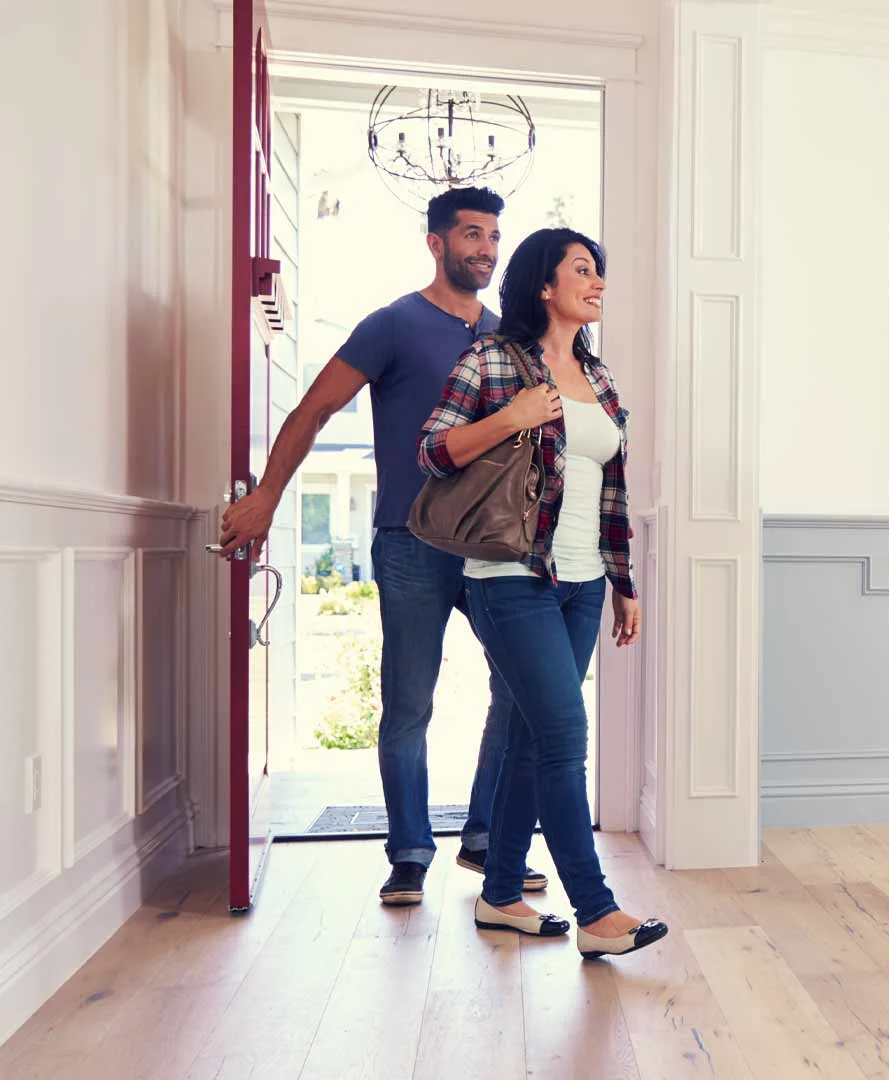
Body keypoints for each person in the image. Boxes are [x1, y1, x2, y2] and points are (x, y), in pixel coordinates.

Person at [218, 186, 548, 906]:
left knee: (521, 689)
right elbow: (313, 409)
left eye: (493, 237)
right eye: (470, 235)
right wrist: (267, 496)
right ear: (437, 242)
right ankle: (408, 851)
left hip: (494, 548)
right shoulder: (393, 325)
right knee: (408, 702)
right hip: (410, 539)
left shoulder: (506, 337)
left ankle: (488, 837)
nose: (485, 249)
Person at [417, 227, 667, 959]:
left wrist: (624, 585)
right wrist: (511, 416)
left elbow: (612, 490)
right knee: (562, 737)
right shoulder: (492, 359)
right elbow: (431, 449)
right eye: (583, 270)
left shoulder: (603, 377)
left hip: (584, 583)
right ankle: (595, 911)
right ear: (544, 286)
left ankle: (499, 897)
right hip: (511, 577)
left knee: (530, 739)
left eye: (601, 271)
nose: (598, 283)